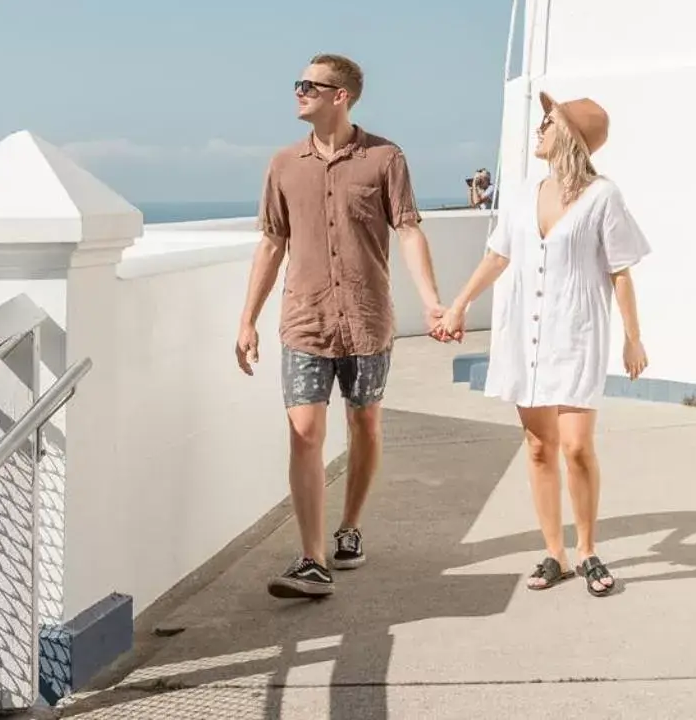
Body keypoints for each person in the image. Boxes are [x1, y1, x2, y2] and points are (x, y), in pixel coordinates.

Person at [235, 53, 446, 600]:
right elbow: (271, 243)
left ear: (341, 96)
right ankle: (311, 559)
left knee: (365, 426)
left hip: (368, 321)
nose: (299, 91)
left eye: (311, 85)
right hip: (304, 322)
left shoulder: (385, 158)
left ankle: (350, 525)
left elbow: (409, 231)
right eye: (298, 82)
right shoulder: (282, 164)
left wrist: (432, 302)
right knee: (304, 435)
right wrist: (247, 319)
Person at [435, 93, 649, 597]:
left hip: (576, 334)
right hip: (524, 334)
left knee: (576, 448)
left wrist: (634, 339)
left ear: (570, 135)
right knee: (538, 448)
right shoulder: (525, 191)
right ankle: (555, 552)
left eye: (548, 122)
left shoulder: (604, 196)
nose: (539, 129)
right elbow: (497, 256)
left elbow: (621, 271)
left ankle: (588, 550)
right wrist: (459, 304)